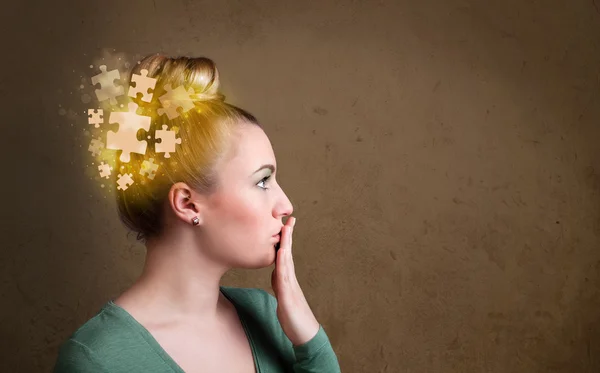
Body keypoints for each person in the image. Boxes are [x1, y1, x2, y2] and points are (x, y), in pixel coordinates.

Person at [53, 54, 341, 372]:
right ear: (187, 203)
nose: (285, 206)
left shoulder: (267, 316)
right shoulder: (98, 359)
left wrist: (309, 340)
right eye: (262, 181)